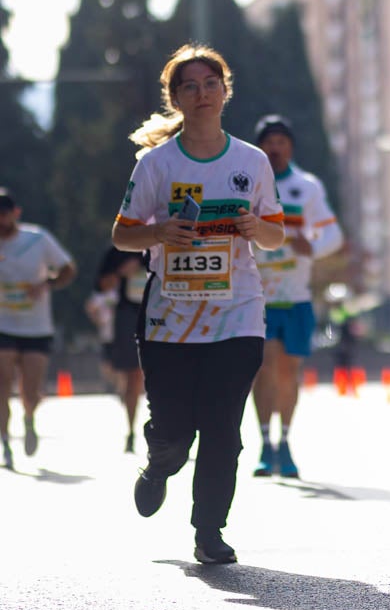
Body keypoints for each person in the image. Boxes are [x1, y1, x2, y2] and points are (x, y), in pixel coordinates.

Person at [112, 44, 285, 564]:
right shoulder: (156, 164)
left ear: (225, 91)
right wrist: (159, 231)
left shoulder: (251, 161)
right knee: (175, 428)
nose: (202, 92)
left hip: (238, 313)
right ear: (177, 98)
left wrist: (258, 228)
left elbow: (276, 234)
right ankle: (161, 460)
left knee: (222, 429)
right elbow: (121, 236)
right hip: (170, 317)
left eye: (211, 82)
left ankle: (209, 531)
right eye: (190, 85)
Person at [250, 114, 343, 478]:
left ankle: (285, 444)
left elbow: (333, 237)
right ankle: (264, 444)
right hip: (257, 297)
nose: (275, 148)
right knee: (264, 370)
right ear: (259, 148)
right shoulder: (246, 184)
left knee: (289, 372)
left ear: (290, 147)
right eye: (268, 142)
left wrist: (312, 246)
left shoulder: (307, 187)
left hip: (297, 297)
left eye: (281, 141)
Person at [0, 189, 77, 470]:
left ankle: (29, 418)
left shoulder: (37, 238)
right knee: (2, 384)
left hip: (35, 327)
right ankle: (6, 442)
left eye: (4, 216)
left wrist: (47, 284)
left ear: (15, 214)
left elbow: (68, 269)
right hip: (3, 325)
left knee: (30, 391)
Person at [96, 246, 150, 453]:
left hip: (164, 311)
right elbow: (101, 285)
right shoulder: (118, 251)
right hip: (128, 316)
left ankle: (167, 428)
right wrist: (121, 272)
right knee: (133, 376)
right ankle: (131, 431)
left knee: (166, 375)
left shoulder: (165, 242)